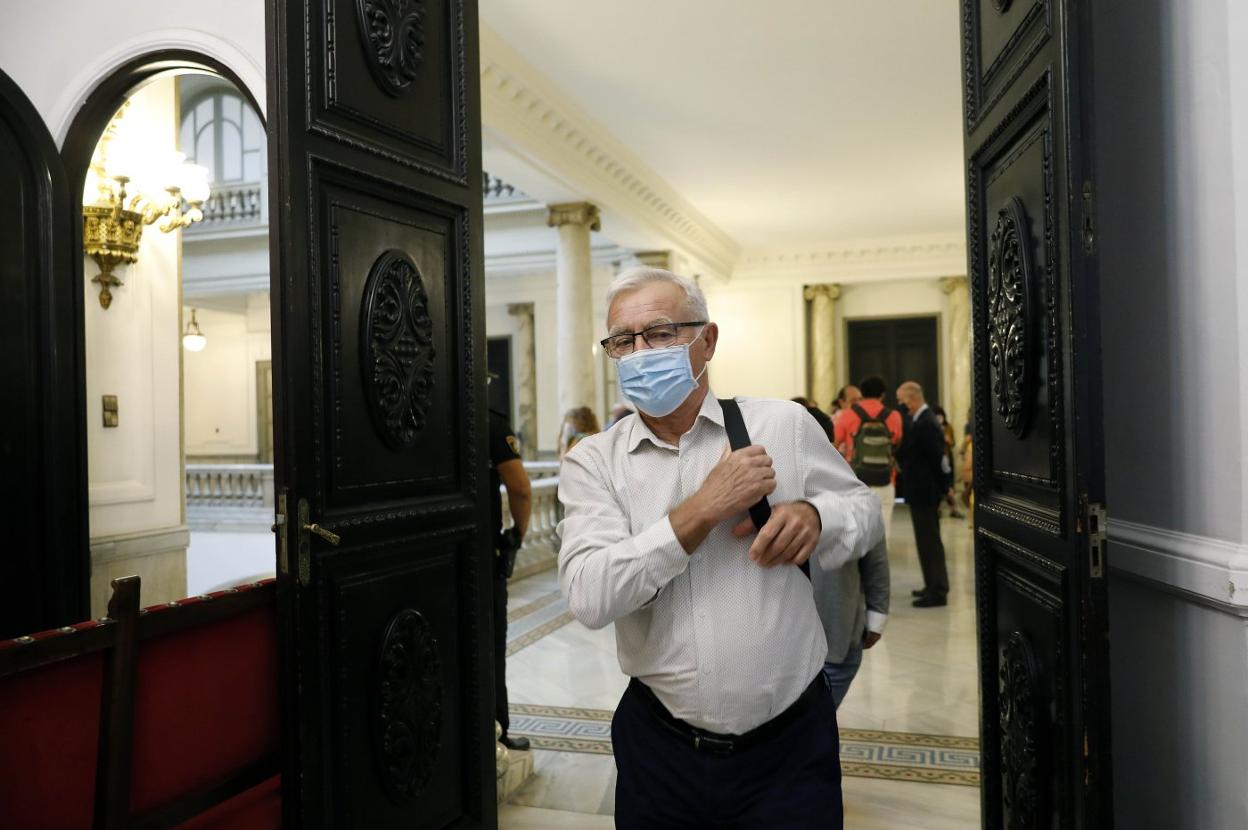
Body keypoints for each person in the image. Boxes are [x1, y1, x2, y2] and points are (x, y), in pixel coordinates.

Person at [558, 266, 883, 829]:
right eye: (622, 341)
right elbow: (590, 595)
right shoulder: (594, 462)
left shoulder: (783, 425)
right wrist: (704, 507)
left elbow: (864, 510)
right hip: (661, 748)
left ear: (707, 341)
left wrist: (816, 517)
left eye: (660, 333)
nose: (639, 353)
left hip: (791, 745)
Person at [489, 404, 533, 751]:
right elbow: (519, 488)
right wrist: (518, 534)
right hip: (481, 553)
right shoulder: (489, 421)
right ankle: (495, 731)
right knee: (489, 644)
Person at [812, 535, 889, 708]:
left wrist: (876, 616)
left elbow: (874, 553)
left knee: (816, 719)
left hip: (835, 641)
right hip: (770, 648)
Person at [895, 381, 949, 608]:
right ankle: (931, 585)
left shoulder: (926, 422)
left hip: (926, 492)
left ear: (912, 398)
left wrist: (943, 489)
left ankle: (937, 591)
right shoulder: (920, 420)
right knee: (924, 542)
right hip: (920, 492)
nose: (900, 405)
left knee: (929, 542)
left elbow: (938, 459)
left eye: (901, 400)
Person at [833, 376, 903, 538]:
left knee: (856, 531)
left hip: (856, 479)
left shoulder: (848, 415)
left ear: (862, 394)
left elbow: (833, 444)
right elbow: (896, 443)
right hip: (885, 478)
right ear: (883, 395)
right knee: (883, 531)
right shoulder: (894, 416)